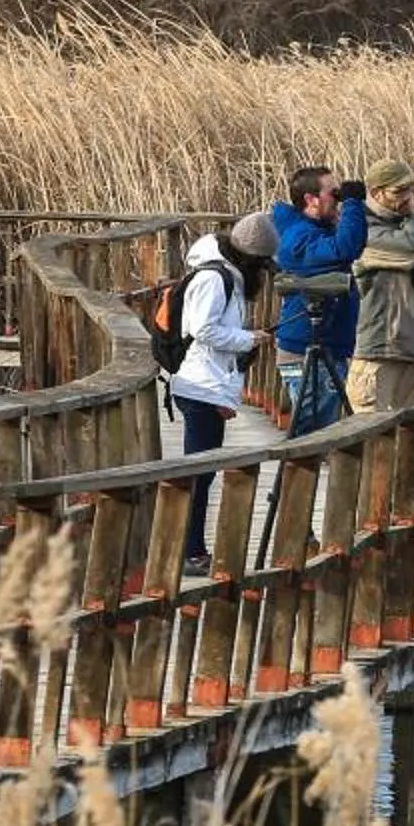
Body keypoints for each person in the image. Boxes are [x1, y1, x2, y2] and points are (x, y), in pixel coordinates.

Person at [167, 221, 269, 574]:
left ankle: (189, 549)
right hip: (198, 386)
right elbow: (203, 330)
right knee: (199, 472)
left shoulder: (227, 276)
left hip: (207, 384)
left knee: (203, 472)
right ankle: (188, 552)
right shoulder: (215, 279)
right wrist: (248, 339)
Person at [268, 164, 368, 432]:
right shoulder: (299, 239)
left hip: (325, 347)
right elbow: (345, 249)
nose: (338, 200)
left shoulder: (313, 230)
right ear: (311, 200)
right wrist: (354, 204)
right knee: (309, 439)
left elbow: (351, 243)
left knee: (317, 436)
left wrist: (351, 208)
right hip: (306, 352)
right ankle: (292, 474)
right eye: (333, 194)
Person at [349, 158, 414, 412]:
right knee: (369, 435)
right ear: (376, 193)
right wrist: (413, 215)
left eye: (411, 189)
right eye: (399, 191)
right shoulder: (360, 228)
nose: (408, 197)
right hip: (379, 350)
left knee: (413, 438)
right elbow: (411, 249)